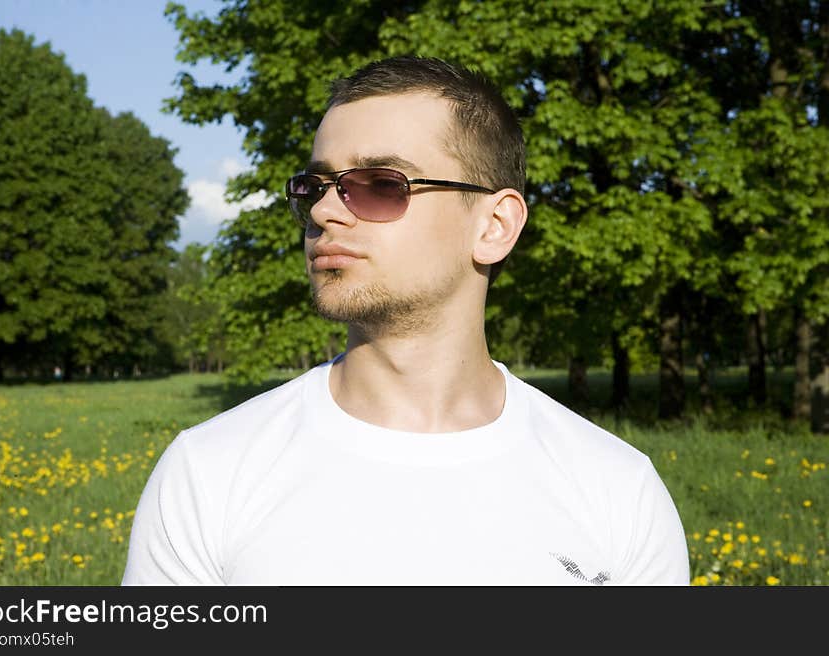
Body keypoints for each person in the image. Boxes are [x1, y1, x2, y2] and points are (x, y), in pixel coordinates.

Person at [122, 56, 690, 586]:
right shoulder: (208, 472)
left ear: (494, 226)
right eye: (315, 186)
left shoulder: (618, 490)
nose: (323, 211)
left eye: (380, 185)